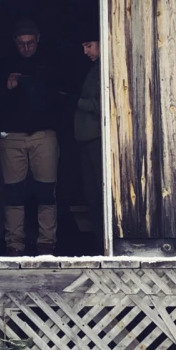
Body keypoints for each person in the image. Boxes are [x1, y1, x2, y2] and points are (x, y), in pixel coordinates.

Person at [0, 18, 64, 255]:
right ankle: (14, 244)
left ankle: (47, 242)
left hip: (43, 135)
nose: (26, 48)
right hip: (12, 137)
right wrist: (5, 87)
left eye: (30, 43)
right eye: (21, 44)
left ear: (38, 40)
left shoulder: (50, 64)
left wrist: (34, 84)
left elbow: (63, 96)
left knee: (47, 191)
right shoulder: (2, 65)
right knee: (13, 193)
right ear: (14, 42)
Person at [74, 37, 103, 251]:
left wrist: (76, 101)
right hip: (86, 137)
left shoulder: (106, 67)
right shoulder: (94, 68)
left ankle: (103, 241)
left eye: (89, 45)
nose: (85, 51)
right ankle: (98, 239)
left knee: (99, 194)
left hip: (97, 138)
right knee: (91, 193)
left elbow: (106, 102)